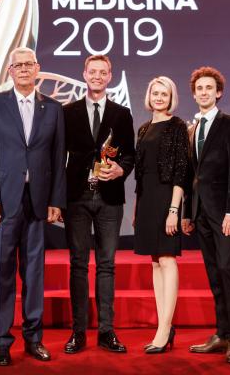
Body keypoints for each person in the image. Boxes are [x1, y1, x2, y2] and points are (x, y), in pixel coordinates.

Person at [0, 46, 66, 366]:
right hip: (1, 203)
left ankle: (33, 338)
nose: (24, 69)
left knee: (34, 273)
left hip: (37, 202)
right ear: (10, 71)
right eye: (18, 65)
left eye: (29, 64)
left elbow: (58, 158)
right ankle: (2, 341)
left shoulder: (53, 108)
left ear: (37, 68)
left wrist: (56, 200)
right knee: (2, 273)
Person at [62, 54, 135, 354]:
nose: (96, 76)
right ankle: (78, 332)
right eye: (92, 71)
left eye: (102, 72)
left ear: (109, 77)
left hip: (110, 199)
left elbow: (130, 155)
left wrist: (121, 170)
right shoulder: (67, 112)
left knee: (107, 265)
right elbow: (58, 156)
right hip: (76, 198)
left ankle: (107, 331)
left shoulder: (122, 114)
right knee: (78, 265)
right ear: (84, 74)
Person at [183, 66, 230, 364]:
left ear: (218, 92)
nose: (204, 92)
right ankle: (221, 333)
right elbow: (191, 177)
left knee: (226, 270)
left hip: (224, 214)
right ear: (194, 94)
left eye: (209, 88)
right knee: (213, 273)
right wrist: (188, 213)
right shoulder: (192, 128)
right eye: (199, 88)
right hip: (201, 214)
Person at [133, 76, 189, 354]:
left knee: (167, 259)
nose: (159, 98)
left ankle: (164, 329)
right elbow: (141, 174)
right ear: (149, 96)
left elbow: (181, 171)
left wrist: (174, 211)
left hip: (167, 198)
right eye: (155, 93)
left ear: (171, 98)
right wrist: (137, 208)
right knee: (155, 262)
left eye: (164, 94)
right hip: (146, 201)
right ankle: (163, 326)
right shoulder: (143, 129)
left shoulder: (177, 126)